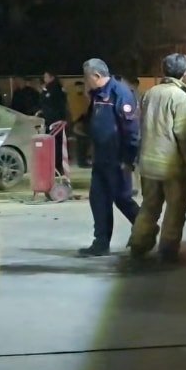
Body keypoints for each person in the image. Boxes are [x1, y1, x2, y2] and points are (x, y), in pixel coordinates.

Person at [128, 53, 186, 265]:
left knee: (149, 206)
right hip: (172, 167)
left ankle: (138, 244)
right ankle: (168, 250)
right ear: (185, 73)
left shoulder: (149, 94)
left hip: (148, 164)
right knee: (175, 209)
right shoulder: (181, 98)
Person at [79, 58, 141, 257]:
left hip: (117, 160)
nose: (85, 81)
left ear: (97, 76)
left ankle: (145, 227)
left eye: (87, 78)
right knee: (98, 199)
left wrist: (128, 159)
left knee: (122, 199)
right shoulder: (97, 95)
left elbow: (131, 131)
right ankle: (101, 243)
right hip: (101, 159)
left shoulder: (120, 93)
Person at [37, 71, 69, 175]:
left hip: (55, 121)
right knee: (53, 144)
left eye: (46, 77)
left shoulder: (55, 89)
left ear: (52, 77)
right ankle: (55, 167)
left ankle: (57, 167)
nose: (44, 79)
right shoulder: (48, 89)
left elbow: (56, 104)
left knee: (56, 145)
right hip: (51, 121)